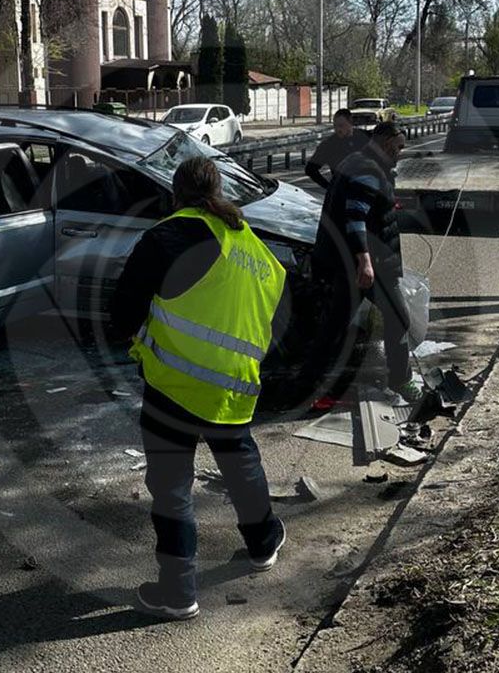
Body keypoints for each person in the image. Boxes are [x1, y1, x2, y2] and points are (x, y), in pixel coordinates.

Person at [111, 156, 288, 621]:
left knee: (171, 488)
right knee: (240, 464)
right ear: (219, 190)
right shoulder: (251, 244)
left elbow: (122, 310)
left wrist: (130, 336)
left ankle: (178, 591)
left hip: (174, 386)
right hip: (234, 386)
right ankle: (263, 542)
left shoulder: (167, 236)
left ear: (175, 194)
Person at [299, 121, 422, 407]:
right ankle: (401, 380)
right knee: (398, 319)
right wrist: (365, 261)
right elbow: (354, 217)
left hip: (345, 262)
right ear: (386, 141)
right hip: (369, 265)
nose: (401, 153)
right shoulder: (368, 168)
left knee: (335, 325)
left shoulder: (356, 161)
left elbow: (361, 206)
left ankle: (314, 387)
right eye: (399, 146)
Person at [304, 108, 367, 190]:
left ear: (350, 123)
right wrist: (329, 187)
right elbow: (310, 169)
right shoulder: (329, 145)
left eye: (341, 126)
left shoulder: (364, 138)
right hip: (343, 192)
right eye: (335, 126)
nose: (338, 129)